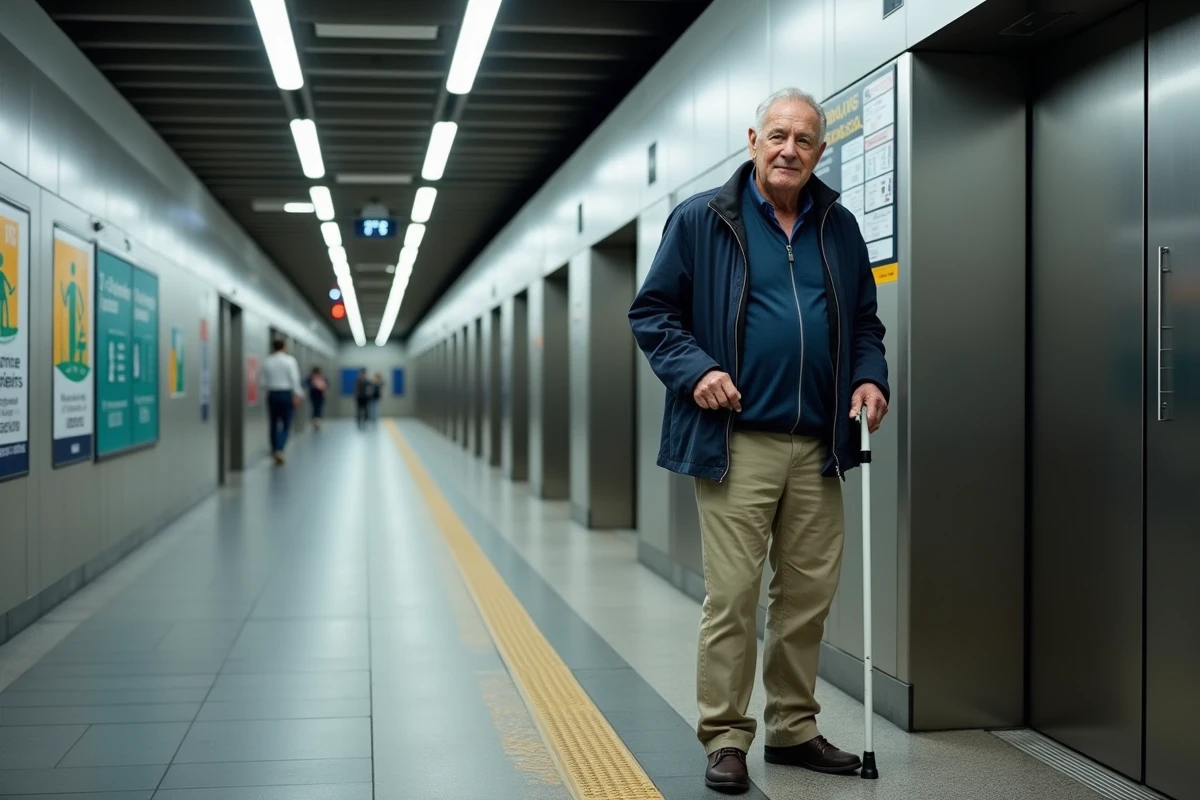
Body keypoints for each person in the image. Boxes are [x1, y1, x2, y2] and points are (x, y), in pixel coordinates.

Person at [628, 87, 889, 794]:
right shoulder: (702, 220)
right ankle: (725, 735)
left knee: (807, 595)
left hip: (818, 443)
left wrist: (871, 381)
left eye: (804, 140)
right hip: (735, 440)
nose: (789, 150)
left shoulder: (838, 226)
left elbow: (865, 323)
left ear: (819, 152)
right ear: (752, 141)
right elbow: (653, 313)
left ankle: (793, 728)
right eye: (778, 136)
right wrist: (697, 370)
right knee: (735, 596)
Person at [262, 339, 303, 464]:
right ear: (284, 347)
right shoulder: (290, 360)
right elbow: (294, 378)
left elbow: (262, 382)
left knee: (273, 423)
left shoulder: (267, 361)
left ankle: (274, 448)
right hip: (286, 394)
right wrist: (298, 394)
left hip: (272, 394)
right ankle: (280, 449)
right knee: (286, 423)